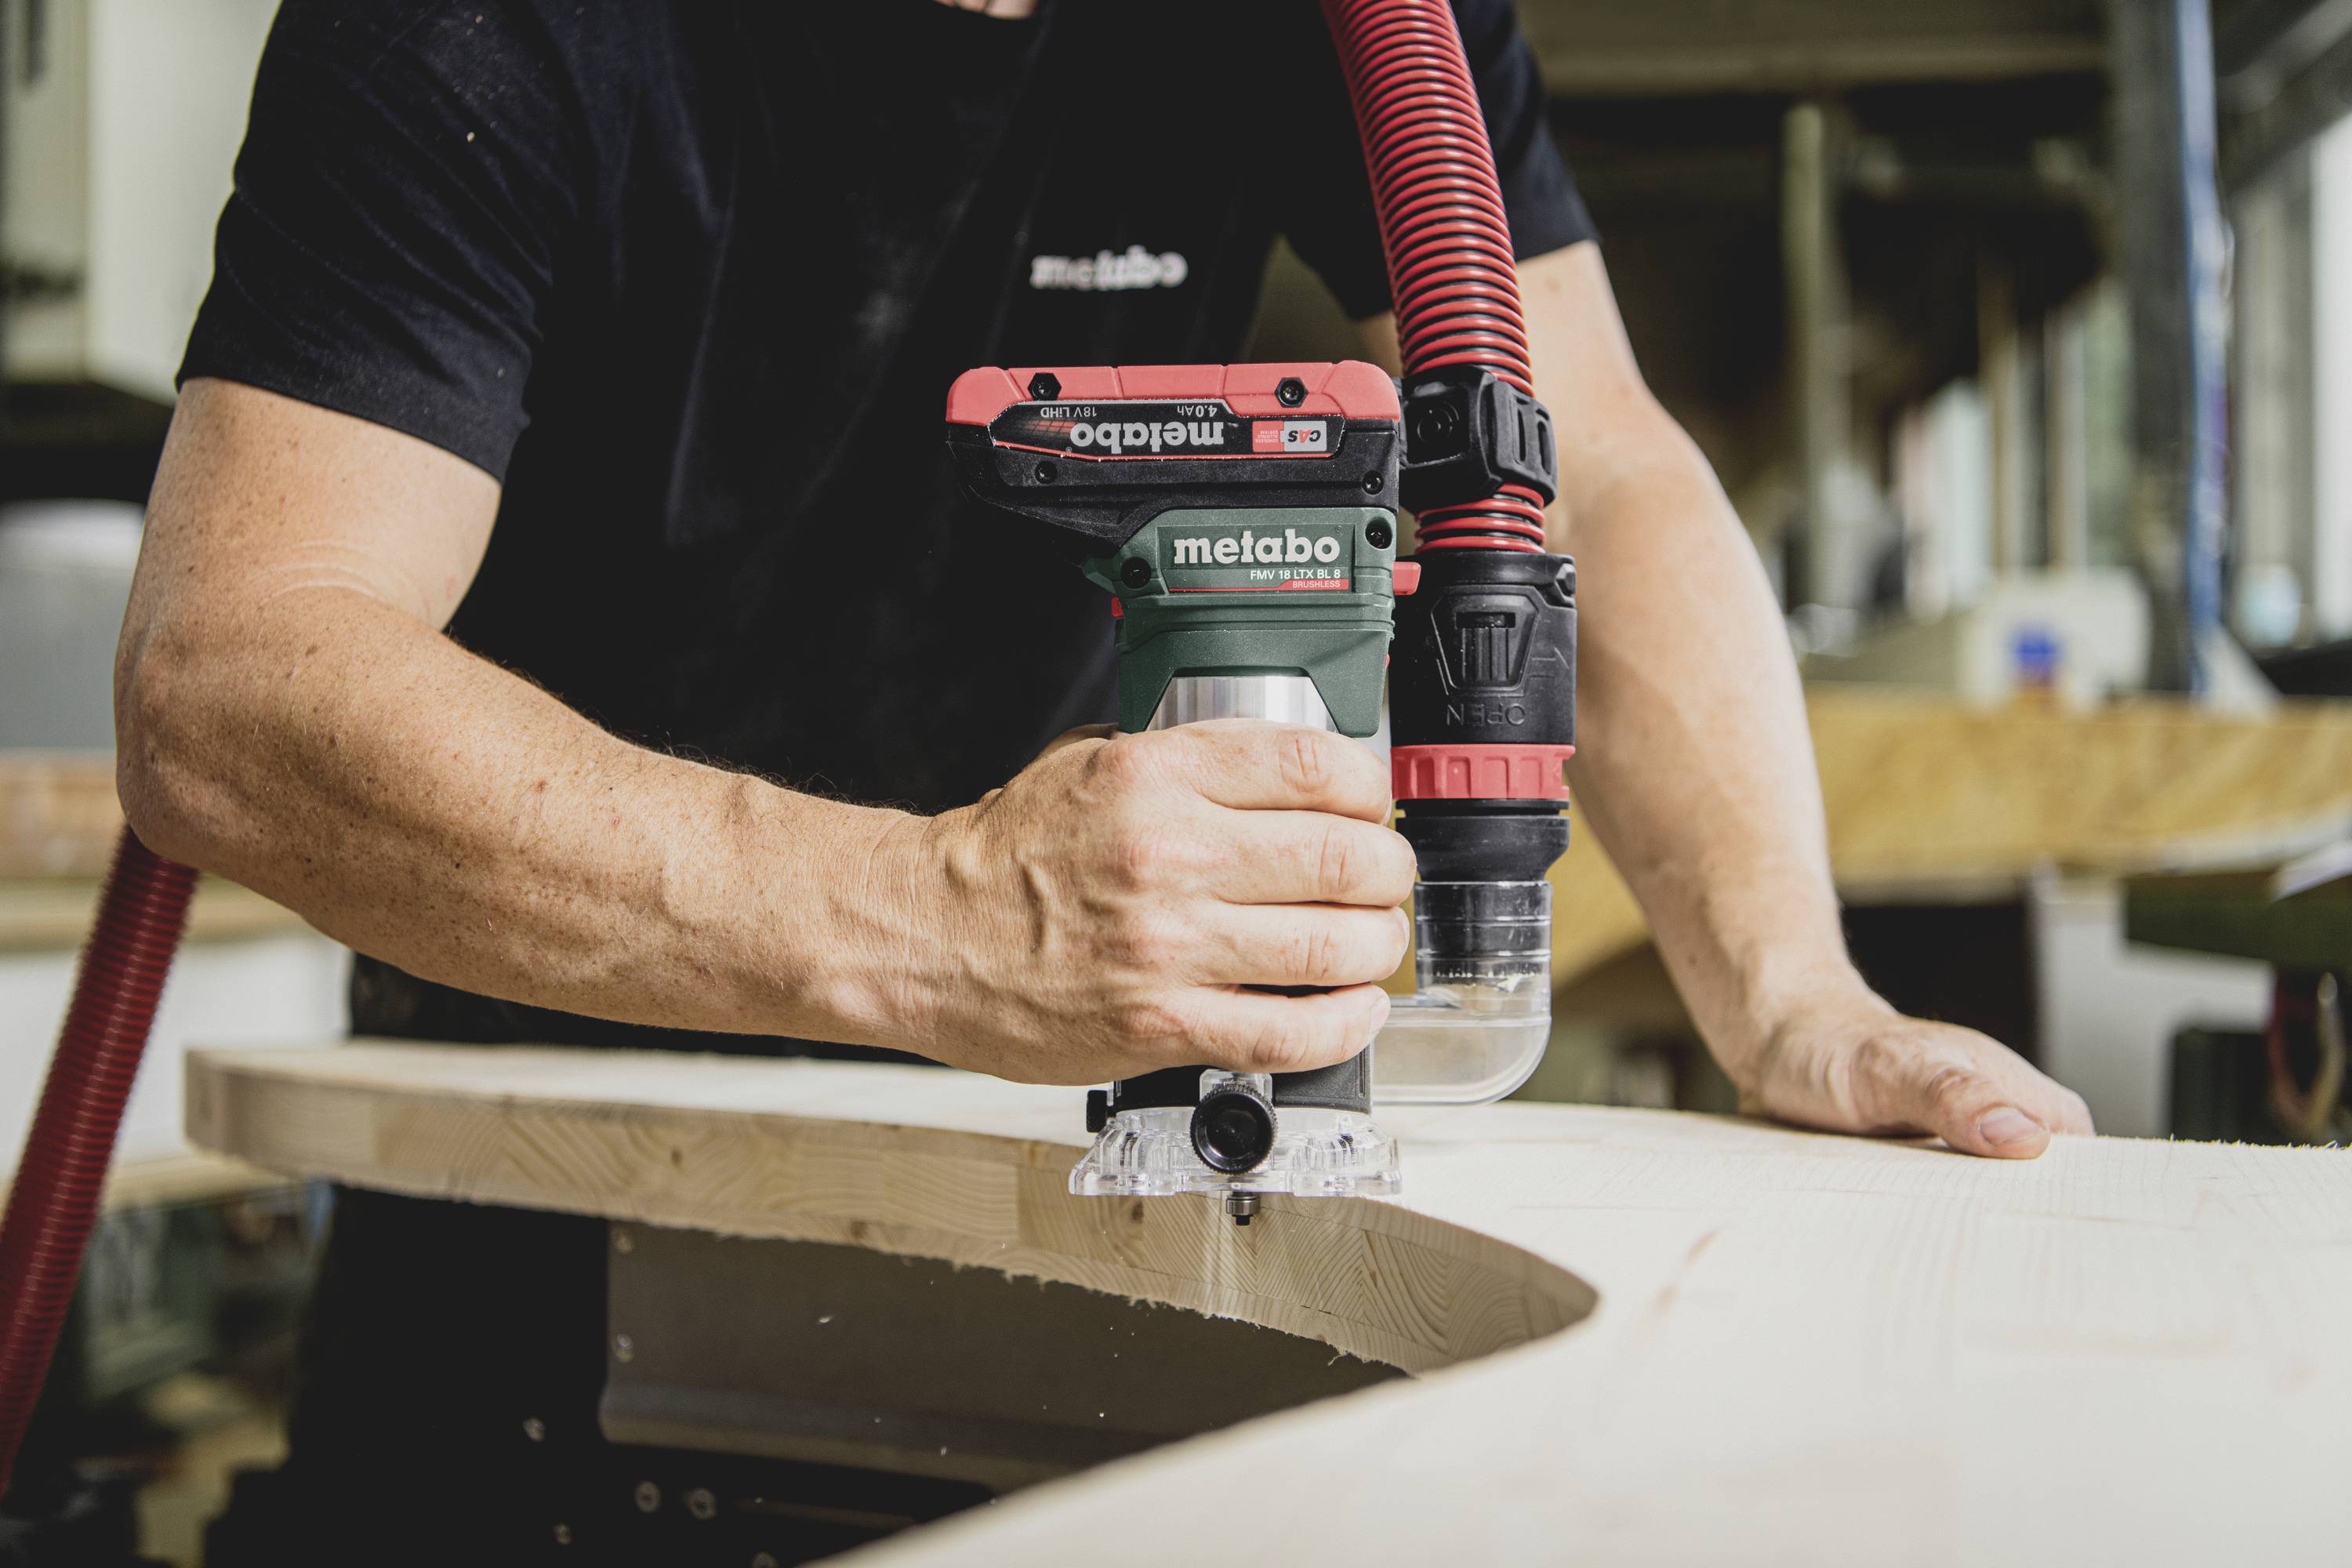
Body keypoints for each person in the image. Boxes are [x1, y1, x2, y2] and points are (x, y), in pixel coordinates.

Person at [118, 0, 2093, 1553]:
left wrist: (1792, 988)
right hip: (551, 1117)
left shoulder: (1345, 15)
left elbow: (1582, 458)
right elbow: (231, 678)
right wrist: (934, 914)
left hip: (1066, 1138)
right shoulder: (484, 23)